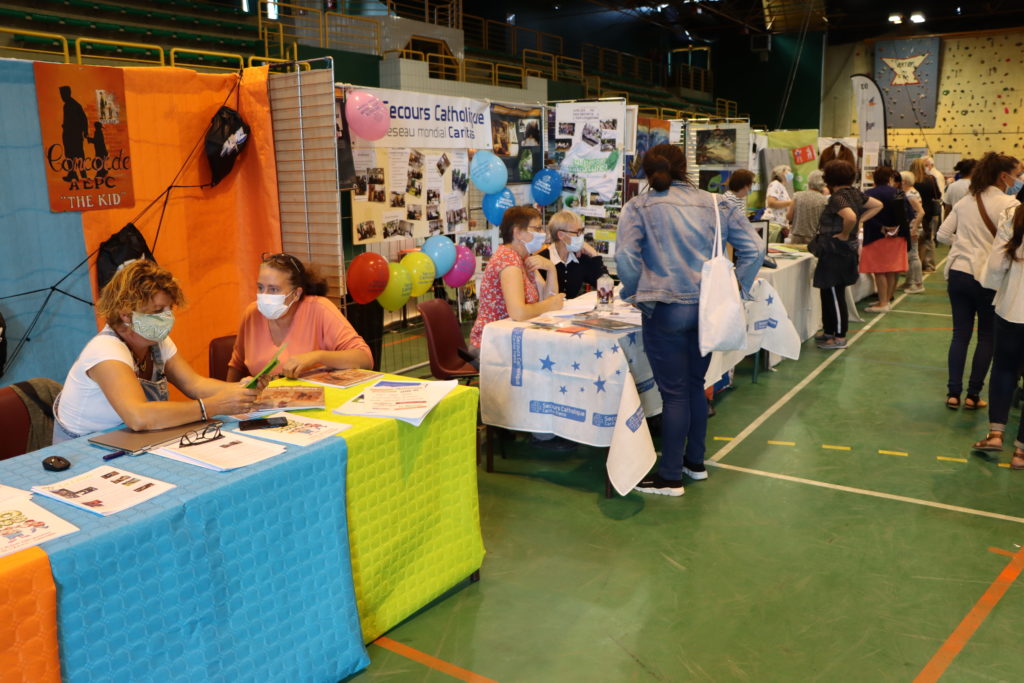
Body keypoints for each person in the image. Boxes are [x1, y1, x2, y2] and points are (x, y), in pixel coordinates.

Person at [616, 144, 764, 496]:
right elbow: (756, 249)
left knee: (674, 394)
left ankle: (669, 477)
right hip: (707, 309)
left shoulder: (638, 207)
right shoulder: (717, 204)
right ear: (686, 168)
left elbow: (625, 257)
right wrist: (736, 288)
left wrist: (636, 292)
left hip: (664, 308)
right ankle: (694, 463)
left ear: (645, 171)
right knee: (695, 385)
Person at [53, 260, 259, 443]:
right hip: (83, 450)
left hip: (127, 440)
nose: (167, 317)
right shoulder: (105, 351)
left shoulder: (156, 341)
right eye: (157, 311)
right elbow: (139, 417)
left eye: (169, 308)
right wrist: (211, 407)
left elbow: (195, 385)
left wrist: (237, 392)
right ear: (126, 313)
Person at [936, 152, 1022, 410]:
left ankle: (953, 393)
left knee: (959, 335)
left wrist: (962, 246)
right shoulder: (1011, 204)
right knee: (986, 337)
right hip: (990, 278)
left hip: (959, 273)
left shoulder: (965, 201)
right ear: (1003, 176)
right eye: (1017, 175)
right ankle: (974, 395)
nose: (1018, 180)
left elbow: (941, 234)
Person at [227, 253, 373, 381]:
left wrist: (317, 356)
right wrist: (229, 399)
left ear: (296, 293)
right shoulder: (252, 313)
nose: (264, 296)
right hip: (265, 405)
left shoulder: (319, 308)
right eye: (260, 288)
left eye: (273, 289)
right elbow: (236, 364)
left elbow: (365, 359)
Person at [973, 203, 1024, 469]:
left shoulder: (1014, 215)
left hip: (1013, 307)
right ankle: (1021, 452)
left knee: (1004, 369)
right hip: (1012, 306)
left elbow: (996, 265)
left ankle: (996, 433)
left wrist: (993, 287)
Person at [469, 206, 564, 348]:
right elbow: (519, 312)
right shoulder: (508, 260)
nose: (542, 233)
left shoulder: (523, 258)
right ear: (518, 232)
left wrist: (551, 268)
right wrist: (548, 305)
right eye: (536, 228)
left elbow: (548, 297)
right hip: (493, 344)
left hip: (512, 336)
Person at [812, 160, 883, 350]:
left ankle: (839, 336)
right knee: (829, 292)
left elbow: (850, 216)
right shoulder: (855, 194)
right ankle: (829, 331)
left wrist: (846, 232)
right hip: (844, 251)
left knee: (834, 293)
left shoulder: (838, 197)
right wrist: (860, 222)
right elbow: (877, 206)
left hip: (836, 250)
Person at [861, 167, 909, 313]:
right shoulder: (898, 193)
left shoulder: (868, 194)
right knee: (892, 270)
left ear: (874, 178)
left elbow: (864, 216)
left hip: (875, 235)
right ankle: (887, 299)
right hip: (898, 236)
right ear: (890, 178)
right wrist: (895, 228)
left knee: (879, 270)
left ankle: (882, 303)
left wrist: (882, 228)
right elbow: (908, 214)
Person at [536, 210, 607, 299]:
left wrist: (595, 255)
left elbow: (606, 286)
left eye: (582, 232)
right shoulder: (541, 260)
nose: (581, 236)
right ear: (561, 235)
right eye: (577, 232)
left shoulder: (580, 258)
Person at [910, 158, 941, 271]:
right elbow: (938, 194)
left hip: (912, 213)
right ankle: (927, 265)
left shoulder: (910, 181)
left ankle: (913, 267)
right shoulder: (930, 179)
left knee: (914, 241)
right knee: (927, 240)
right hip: (928, 213)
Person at [898, 171, 926, 294]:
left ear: (904, 181)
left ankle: (918, 284)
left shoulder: (910, 195)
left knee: (913, 255)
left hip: (912, 227)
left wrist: (914, 228)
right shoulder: (911, 193)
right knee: (910, 255)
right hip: (911, 226)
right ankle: (909, 281)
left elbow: (921, 212)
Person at [787, 169, 829, 245]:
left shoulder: (797, 196)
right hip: (813, 240)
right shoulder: (824, 200)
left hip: (796, 238)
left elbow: (789, 217)